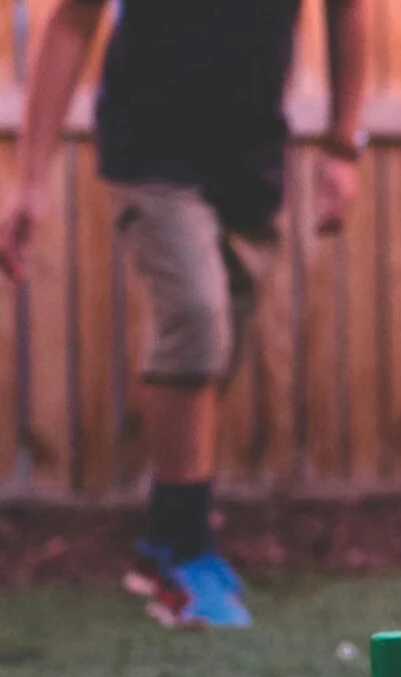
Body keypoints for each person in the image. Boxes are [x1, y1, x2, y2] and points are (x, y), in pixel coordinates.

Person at [0, 0, 368, 627]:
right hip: (151, 146)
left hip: (251, 153)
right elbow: (70, 23)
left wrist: (342, 146)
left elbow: (348, 12)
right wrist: (30, 180)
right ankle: (183, 546)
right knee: (196, 318)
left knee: (217, 344)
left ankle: (164, 532)